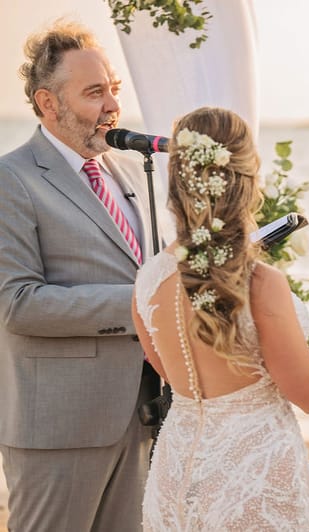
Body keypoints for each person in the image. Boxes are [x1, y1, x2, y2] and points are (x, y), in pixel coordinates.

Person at [131, 106, 309, 530]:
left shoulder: (150, 277)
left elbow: (172, 372)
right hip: (253, 479)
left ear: (178, 179)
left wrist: (288, 359)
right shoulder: (259, 281)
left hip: (175, 476)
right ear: (247, 180)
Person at [0, 19, 167, 531]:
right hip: (58, 426)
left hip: (142, 412)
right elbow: (18, 302)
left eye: (113, 89)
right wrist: (145, 302)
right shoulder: (11, 179)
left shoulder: (122, 170)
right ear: (48, 103)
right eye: (95, 92)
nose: (113, 105)